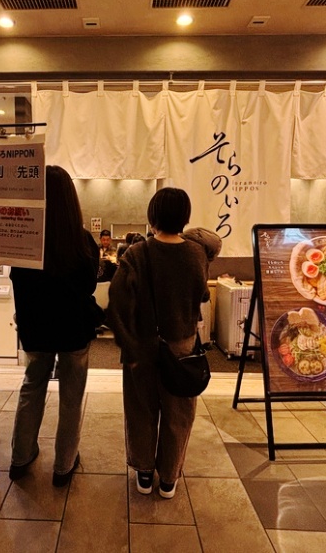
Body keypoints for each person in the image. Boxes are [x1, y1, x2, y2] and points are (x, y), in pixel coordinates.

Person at [107, 187, 208, 499]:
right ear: (185, 217)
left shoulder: (136, 254)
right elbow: (202, 295)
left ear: (152, 216)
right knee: (179, 414)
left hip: (143, 346)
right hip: (182, 348)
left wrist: (127, 342)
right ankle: (168, 478)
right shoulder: (197, 253)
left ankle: (144, 471)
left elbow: (117, 302)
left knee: (141, 410)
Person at [9, 165, 99, 487]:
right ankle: (64, 465)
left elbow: (18, 284)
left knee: (32, 387)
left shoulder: (24, 238)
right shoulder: (82, 240)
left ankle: (20, 457)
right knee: (71, 397)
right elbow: (89, 285)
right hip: (74, 329)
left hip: (36, 329)